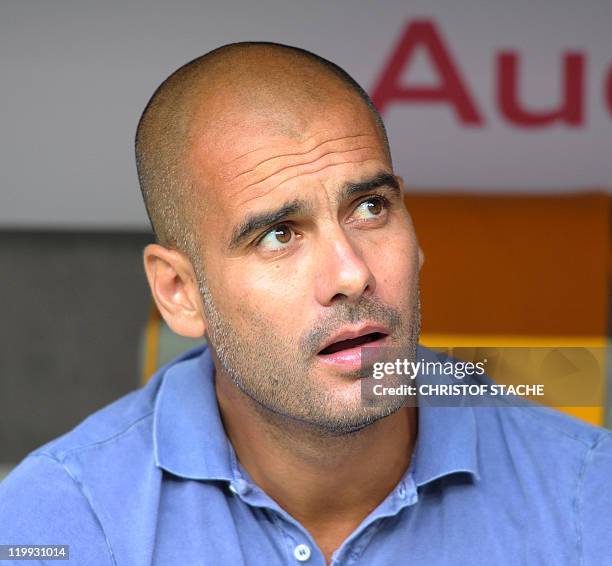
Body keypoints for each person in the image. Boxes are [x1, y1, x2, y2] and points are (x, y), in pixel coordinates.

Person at [0, 42, 611, 566]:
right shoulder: (64, 520)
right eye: (278, 234)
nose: (351, 273)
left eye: (370, 208)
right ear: (180, 294)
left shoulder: (587, 498)